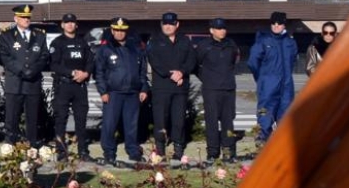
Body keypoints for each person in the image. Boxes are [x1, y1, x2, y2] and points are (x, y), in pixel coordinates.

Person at [93, 17, 149, 166]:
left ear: (126, 31)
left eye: (122, 30)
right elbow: (99, 72)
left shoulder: (136, 49)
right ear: (112, 30)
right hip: (113, 93)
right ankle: (109, 153)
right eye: (116, 30)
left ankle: (133, 151)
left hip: (133, 92)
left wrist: (144, 88)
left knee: (132, 124)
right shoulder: (105, 49)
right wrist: (103, 91)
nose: (119, 33)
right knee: (110, 124)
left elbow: (142, 71)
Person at [146, 12, 196, 161]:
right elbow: (154, 61)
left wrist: (182, 72)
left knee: (179, 119)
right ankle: (160, 150)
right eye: (165, 23)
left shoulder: (185, 41)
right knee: (160, 119)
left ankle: (178, 150)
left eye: (171, 24)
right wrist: (171, 74)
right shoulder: (154, 41)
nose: (168, 26)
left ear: (177, 24)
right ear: (162, 24)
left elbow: (191, 60)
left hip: (180, 88)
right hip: (162, 87)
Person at [0, 4, 48, 148]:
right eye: (23, 17)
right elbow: (4, 56)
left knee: (32, 118)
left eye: (28, 17)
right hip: (15, 82)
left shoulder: (39, 35)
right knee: (12, 118)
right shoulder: (7, 36)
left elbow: (44, 56)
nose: (26, 20)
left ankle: (31, 146)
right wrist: (21, 70)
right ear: (16, 18)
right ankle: (10, 146)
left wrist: (33, 70)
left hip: (33, 83)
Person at [248, 11, 298, 148]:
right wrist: (262, 78)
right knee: (265, 111)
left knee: (286, 114)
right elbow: (252, 62)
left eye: (279, 23)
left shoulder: (290, 42)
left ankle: (283, 143)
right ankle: (263, 138)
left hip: (286, 85)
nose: (276, 26)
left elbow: (293, 60)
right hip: (268, 86)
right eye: (273, 23)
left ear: (284, 25)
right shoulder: (263, 41)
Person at [48, 13, 94, 161]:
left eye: (72, 22)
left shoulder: (82, 42)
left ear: (76, 25)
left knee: (81, 120)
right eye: (66, 22)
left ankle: (83, 151)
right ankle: (61, 152)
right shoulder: (57, 43)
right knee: (61, 119)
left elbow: (90, 61)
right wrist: (72, 72)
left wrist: (86, 73)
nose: (69, 25)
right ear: (62, 25)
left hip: (80, 86)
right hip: (63, 85)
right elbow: (54, 65)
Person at [195, 18, 241, 163]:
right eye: (219, 28)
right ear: (211, 30)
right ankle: (213, 152)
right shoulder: (204, 46)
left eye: (223, 28)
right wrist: (206, 78)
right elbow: (195, 64)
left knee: (228, 121)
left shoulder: (231, 44)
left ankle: (228, 151)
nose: (222, 31)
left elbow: (233, 62)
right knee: (212, 122)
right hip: (211, 89)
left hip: (228, 88)